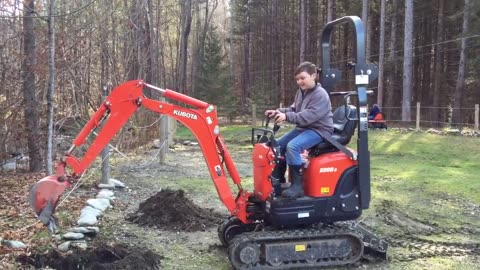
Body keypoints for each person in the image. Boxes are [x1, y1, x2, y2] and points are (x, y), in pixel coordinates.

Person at [265, 62, 334, 199]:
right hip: (305, 128)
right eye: (297, 79)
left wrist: (286, 117)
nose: (299, 82)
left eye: (302, 78)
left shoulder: (320, 94)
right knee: (278, 145)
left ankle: (297, 186)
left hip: (320, 130)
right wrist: (278, 112)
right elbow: (294, 110)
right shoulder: (301, 92)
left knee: (293, 146)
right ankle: (279, 179)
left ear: (313, 76)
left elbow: (309, 116)